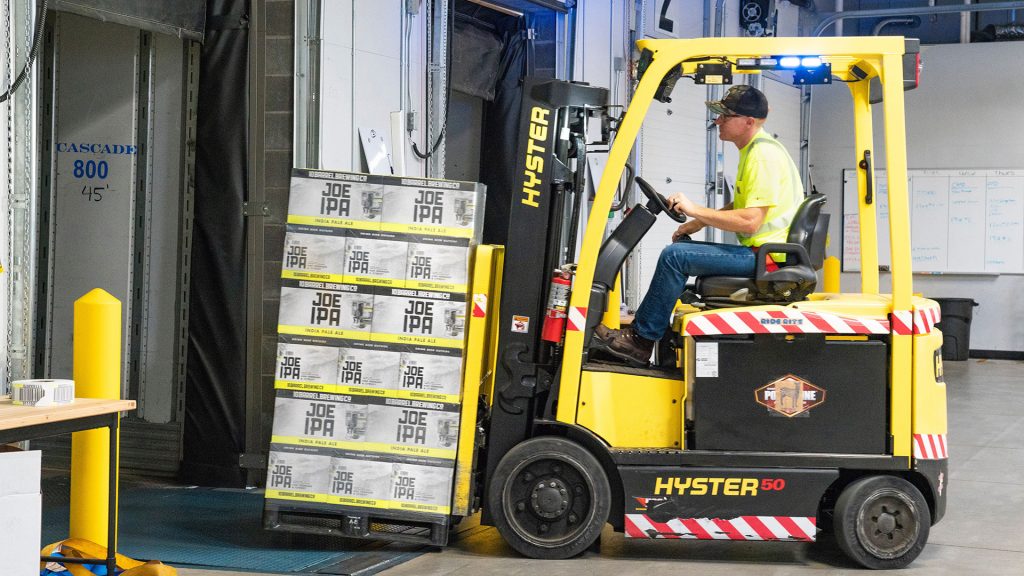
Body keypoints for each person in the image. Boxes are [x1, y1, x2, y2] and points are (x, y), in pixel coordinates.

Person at [593, 85, 804, 366]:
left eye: (725, 116)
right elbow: (743, 204)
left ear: (749, 122)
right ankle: (652, 334)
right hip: (764, 254)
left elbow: (750, 221)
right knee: (681, 250)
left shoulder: (762, 156)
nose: (718, 121)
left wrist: (694, 208)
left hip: (768, 259)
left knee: (675, 257)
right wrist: (696, 222)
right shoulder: (755, 150)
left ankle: (641, 342)